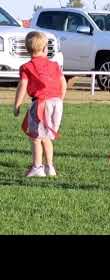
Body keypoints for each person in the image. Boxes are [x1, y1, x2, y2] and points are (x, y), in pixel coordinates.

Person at [13, 31, 67, 177]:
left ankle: (37, 167)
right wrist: (59, 99)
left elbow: (22, 86)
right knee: (47, 136)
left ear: (27, 49)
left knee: (35, 137)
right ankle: (50, 167)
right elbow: (63, 83)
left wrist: (17, 105)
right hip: (56, 102)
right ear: (45, 48)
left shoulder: (26, 67)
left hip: (41, 103)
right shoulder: (55, 65)